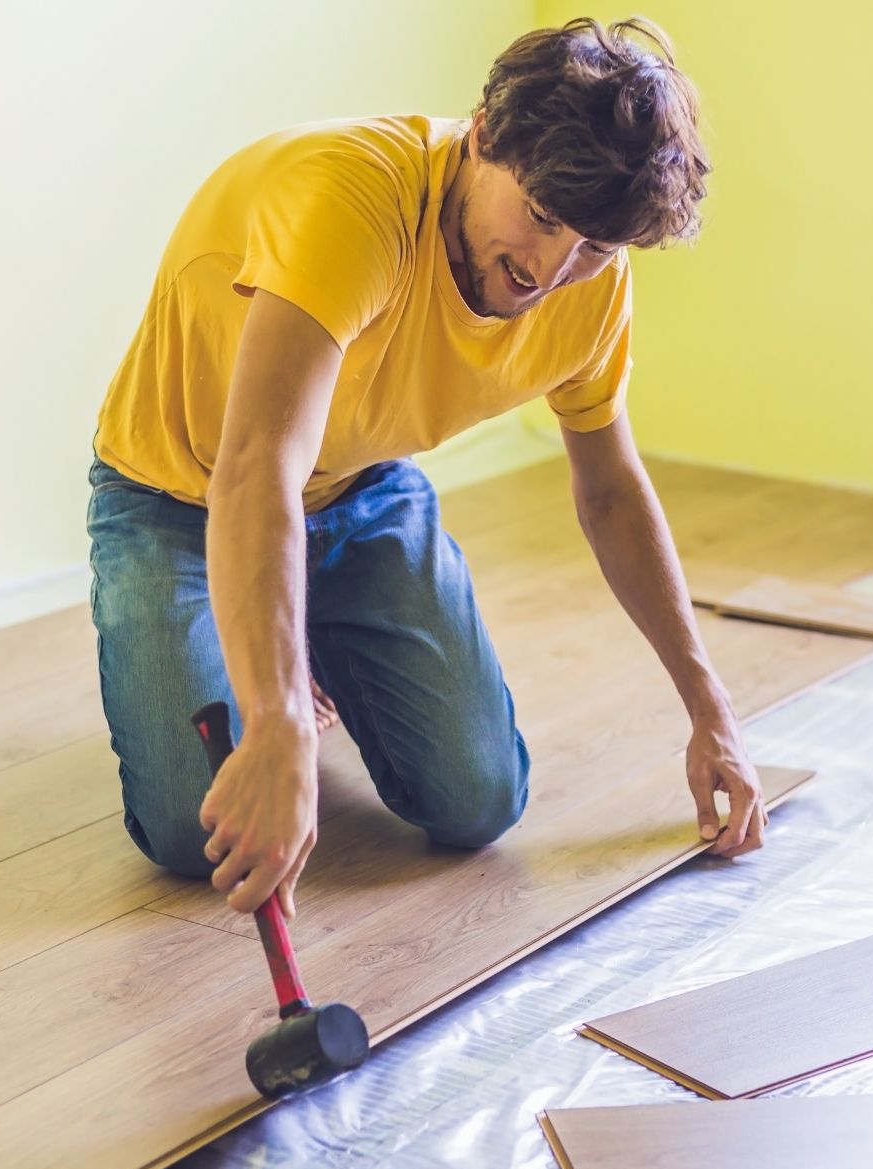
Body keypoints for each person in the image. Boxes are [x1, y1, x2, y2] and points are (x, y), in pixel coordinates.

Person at [87, 16, 765, 921]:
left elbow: (609, 489)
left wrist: (709, 705)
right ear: (482, 134)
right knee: (188, 830)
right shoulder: (352, 199)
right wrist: (283, 724)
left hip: (363, 490)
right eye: (543, 216)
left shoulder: (591, 279)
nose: (552, 272)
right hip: (179, 495)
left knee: (480, 801)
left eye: (596, 246)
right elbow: (257, 469)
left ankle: (301, 634)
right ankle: (278, 650)